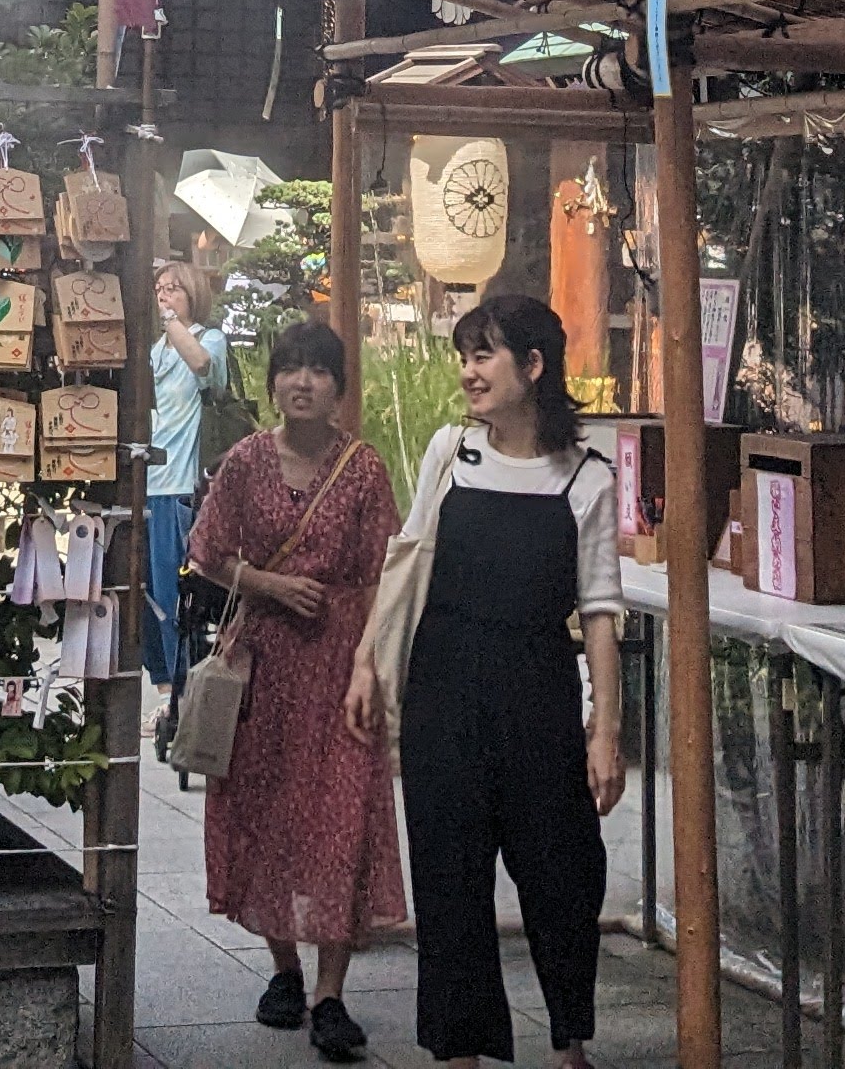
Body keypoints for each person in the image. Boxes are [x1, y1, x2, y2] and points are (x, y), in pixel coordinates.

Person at [348, 292, 624, 1069]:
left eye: (484, 355)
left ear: (533, 367)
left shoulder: (587, 479)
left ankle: (570, 1045)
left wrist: (606, 731)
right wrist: (369, 664)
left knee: (564, 872)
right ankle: (459, 1054)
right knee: (449, 878)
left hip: (537, 690)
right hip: (444, 689)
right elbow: (406, 564)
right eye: (464, 356)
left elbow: (600, 610)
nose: (468, 373)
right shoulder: (449, 453)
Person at [189, 318, 402, 1064]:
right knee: (265, 811)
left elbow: (385, 574)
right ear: (273, 380)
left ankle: (331, 992)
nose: (301, 383)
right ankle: (284, 969)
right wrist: (270, 582)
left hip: (343, 667)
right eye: (290, 369)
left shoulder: (366, 470)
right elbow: (207, 554)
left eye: (317, 371)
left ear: (340, 388)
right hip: (264, 664)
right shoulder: (245, 462)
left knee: (344, 821)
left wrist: (367, 666)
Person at [146, 259, 225, 700]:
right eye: (160, 288)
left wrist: (172, 320)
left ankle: (183, 695)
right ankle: (163, 693)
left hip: (179, 485)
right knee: (146, 597)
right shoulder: (154, 346)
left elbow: (202, 367)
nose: (164, 294)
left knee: (175, 597)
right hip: (146, 481)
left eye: (174, 288)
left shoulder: (207, 338)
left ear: (193, 293)